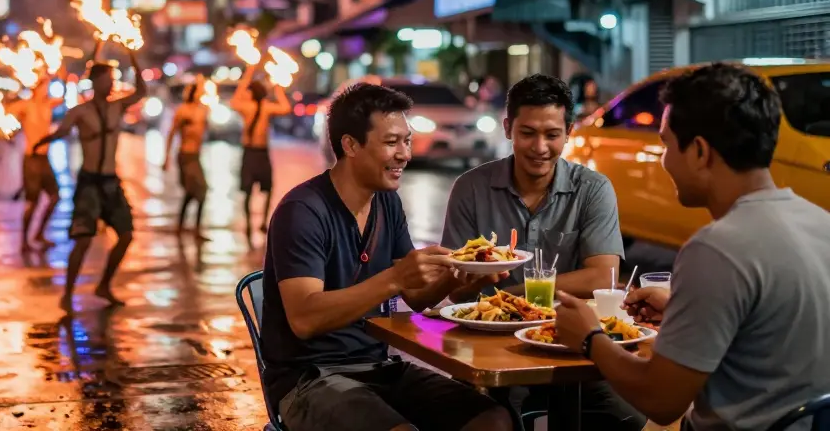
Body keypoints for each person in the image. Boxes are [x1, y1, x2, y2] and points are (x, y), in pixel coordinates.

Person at [554, 63, 830, 431]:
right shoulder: (820, 222)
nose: (663, 159)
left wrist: (589, 338)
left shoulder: (717, 250)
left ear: (699, 151)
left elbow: (661, 400)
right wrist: (686, 313)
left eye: (666, 144)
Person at [263, 83, 512, 431]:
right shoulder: (303, 211)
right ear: (350, 145)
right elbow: (305, 318)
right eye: (391, 142)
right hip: (310, 380)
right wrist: (394, 278)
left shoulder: (386, 203)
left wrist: (462, 275)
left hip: (380, 368)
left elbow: (415, 296)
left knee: (494, 418)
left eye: (407, 141)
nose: (405, 154)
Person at [441, 74, 640, 430]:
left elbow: (603, 276)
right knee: (493, 418)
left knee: (626, 416)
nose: (540, 147)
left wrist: (513, 297)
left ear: (569, 132)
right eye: (527, 133)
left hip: (569, 341)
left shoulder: (592, 189)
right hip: (490, 343)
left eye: (552, 135)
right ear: (508, 128)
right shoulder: (471, 188)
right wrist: (473, 281)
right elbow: (456, 289)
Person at [33, 51, 146, 313]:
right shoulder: (80, 111)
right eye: (108, 79)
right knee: (83, 240)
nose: (113, 84)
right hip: (89, 183)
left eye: (114, 79)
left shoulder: (118, 106)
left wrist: (131, 53)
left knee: (126, 235)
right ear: (96, 83)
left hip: (110, 181)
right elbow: (61, 132)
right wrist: (40, 143)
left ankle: (104, 285)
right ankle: (68, 294)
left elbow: (141, 91)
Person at [7, 70, 65, 253]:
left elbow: (64, 97)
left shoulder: (48, 105)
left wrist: (61, 73)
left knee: (55, 197)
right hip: (31, 160)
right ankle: (24, 241)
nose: (46, 89)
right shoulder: (26, 106)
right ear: (35, 88)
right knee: (33, 202)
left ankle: (39, 233)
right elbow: (8, 112)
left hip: (44, 159)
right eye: (44, 85)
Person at [231, 64, 292, 233]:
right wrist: (249, 73)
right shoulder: (249, 107)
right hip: (250, 152)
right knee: (248, 190)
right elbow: (234, 102)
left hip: (260, 153)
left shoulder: (264, 107)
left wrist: (278, 87)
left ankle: (262, 222)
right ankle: (250, 223)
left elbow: (286, 108)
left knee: (267, 188)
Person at [163, 78, 210, 241]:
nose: (200, 93)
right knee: (201, 190)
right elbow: (171, 134)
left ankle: (182, 227)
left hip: (196, 156)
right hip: (185, 156)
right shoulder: (183, 111)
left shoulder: (204, 110)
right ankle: (191, 229)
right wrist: (166, 158)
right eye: (197, 91)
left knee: (191, 193)